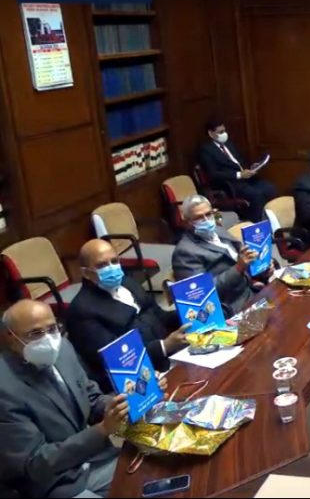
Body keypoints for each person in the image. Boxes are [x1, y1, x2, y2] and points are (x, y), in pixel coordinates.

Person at [0, 300, 166, 498]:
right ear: (10, 337)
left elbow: (91, 398)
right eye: (35, 333)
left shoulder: (63, 349)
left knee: (164, 467)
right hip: (56, 481)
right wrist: (102, 430)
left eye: (52, 329)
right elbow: (35, 464)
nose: (48, 339)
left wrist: (133, 397)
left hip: (94, 455)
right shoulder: (5, 389)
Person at [66, 240, 190, 393]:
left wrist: (185, 312)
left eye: (114, 261)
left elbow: (157, 315)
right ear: (86, 273)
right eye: (102, 265)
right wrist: (164, 346)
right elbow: (116, 359)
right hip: (141, 382)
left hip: (173, 358)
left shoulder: (127, 282)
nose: (112, 268)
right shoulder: (81, 311)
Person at [172, 195, 258, 316]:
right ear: (187, 222)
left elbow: (242, 256)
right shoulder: (184, 252)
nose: (206, 220)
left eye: (208, 214)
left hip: (249, 290)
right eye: (199, 217)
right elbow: (202, 295)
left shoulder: (218, 230)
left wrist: (261, 266)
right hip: (230, 308)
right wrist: (238, 268)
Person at [197, 119, 277, 222]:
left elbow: (239, 162)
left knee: (270, 188)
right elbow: (213, 174)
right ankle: (257, 223)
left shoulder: (229, 144)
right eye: (220, 132)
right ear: (211, 133)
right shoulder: (206, 150)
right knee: (256, 194)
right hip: (230, 183)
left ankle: (273, 220)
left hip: (247, 179)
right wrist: (239, 175)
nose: (224, 134)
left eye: (224, 131)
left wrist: (251, 167)